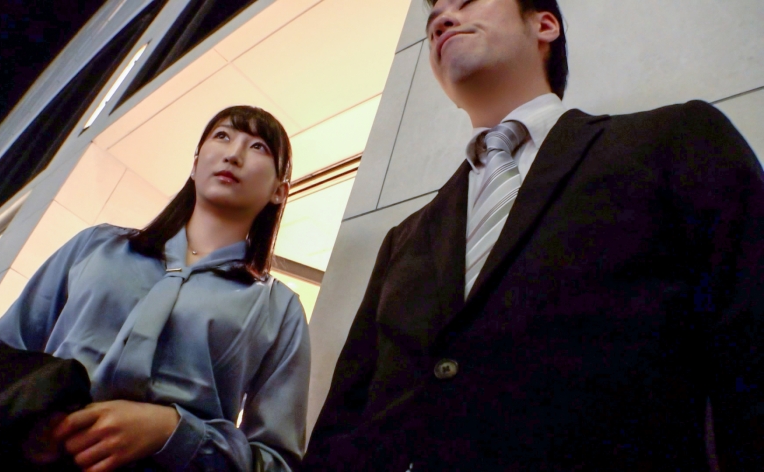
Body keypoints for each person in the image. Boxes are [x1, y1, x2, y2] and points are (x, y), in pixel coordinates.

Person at [303, 0, 764, 470]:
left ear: (545, 24)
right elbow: (342, 422)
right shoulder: (402, 240)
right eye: (432, 18)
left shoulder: (676, 140)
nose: (441, 19)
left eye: (467, 0)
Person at [0, 105, 311, 472]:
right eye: (222, 136)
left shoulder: (279, 308)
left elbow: (276, 462)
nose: (234, 154)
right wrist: (29, 413)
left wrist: (173, 432)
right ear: (195, 164)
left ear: (279, 192)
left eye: (258, 146)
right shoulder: (96, 246)